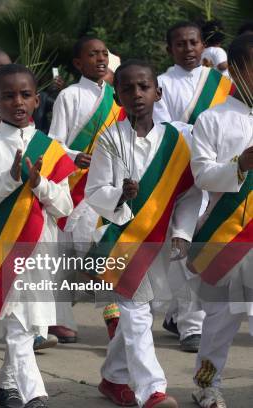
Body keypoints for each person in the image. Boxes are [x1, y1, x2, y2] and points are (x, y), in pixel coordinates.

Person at [86, 60, 202, 408]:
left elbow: (190, 192)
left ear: (158, 92)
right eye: (127, 89)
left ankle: (113, 377)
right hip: (121, 239)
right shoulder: (109, 138)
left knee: (141, 311)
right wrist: (120, 195)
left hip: (160, 241)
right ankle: (152, 390)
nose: (136, 94)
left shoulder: (178, 139)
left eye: (143, 87)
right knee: (135, 312)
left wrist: (182, 230)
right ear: (118, 96)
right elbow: (94, 191)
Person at [0, 64, 76, 408]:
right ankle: (35, 395)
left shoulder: (52, 148)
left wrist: (39, 184)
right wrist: (9, 180)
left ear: (37, 99)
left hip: (41, 250)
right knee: (18, 327)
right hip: (3, 248)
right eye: (8, 96)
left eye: (25, 94)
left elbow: (65, 206)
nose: (18, 102)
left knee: (28, 326)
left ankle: (7, 386)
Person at [153, 21, 236, 352]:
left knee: (205, 244)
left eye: (193, 43)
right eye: (180, 44)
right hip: (178, 167)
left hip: (216, 169)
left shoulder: (222, 83)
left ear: (204, 46)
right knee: (181, 249)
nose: (188, 49)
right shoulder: (161, 82)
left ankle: (180, 314)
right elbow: (162, 125)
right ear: (169, 48)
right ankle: (190, 325)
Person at [187, 33, 253, 408]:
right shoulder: (212, 120)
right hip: (227, 237)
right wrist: (240, 166)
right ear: (240, 70)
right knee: (219, 323)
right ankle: (206, 384)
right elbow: (202, 176)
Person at [48, 36, 125, 344]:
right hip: (75, 187)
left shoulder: (116, 96)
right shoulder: (69, 96)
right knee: (68, 258)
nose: (101, 59)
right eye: (92, 54)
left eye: (104, 53)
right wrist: (73, 156)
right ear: (78, 63)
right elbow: (55, 141)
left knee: (97, 254)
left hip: (106, 187)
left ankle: (114, 316)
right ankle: (60, 320)